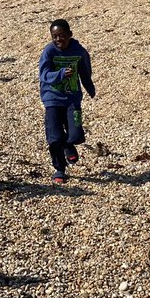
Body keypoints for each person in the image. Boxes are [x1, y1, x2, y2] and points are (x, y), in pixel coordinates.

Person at [38, 19, 96, 185]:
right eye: (55, 36)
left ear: (70, 35)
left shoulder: (79, 51)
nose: (58, 39)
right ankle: (59, 169)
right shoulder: (49, 51)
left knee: (76, 134)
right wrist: (61, 74)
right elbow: (44, 75)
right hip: (52, 98)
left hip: (72, 99)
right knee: (54, 137)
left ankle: (69, 145)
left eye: (62, 36)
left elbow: (85, 71)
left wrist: (89, 87)